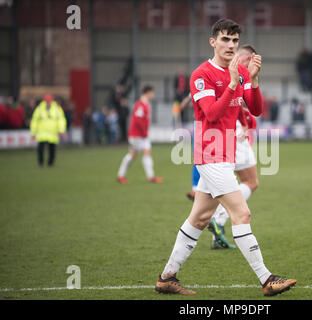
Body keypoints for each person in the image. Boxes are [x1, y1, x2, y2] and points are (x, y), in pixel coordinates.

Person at [155, 18, 296, 296]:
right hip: (210, 155)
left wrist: (253, 80)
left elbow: (255, 110)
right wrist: (232, 82)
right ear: (213, 42)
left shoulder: (241, 72)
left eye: (234, 40)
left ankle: (167, 277)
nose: (230, 45)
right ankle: (267, 279)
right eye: (225, 40)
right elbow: (212, 114)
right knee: (241, 212)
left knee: (198, 218)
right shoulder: (201, 75)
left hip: (225, 154)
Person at [208, 44, 260, 250]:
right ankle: (219, 218)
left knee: (215, 192)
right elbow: (236, 102)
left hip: (220, 132)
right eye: (251, 59)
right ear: (247, 56)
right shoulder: (236, 69)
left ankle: (216, 237)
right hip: (231, 130)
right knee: (251, 181)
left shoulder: (223, 68)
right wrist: (244, 125)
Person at [117, 85, 163, 184]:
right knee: (133, 155)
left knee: (145, 153)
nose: (153, 95)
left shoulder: (144, 103)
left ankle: (150, 177)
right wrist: (143, 131)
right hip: (137, 135)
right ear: (148, 93)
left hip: (141, 135)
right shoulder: (141, 104)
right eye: (152, 93)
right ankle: (121, 175)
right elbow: (138, 120)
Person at [30, 94, 67, 167]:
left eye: (49, 101)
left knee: (52, 149)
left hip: (52, 133)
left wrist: (61, 130)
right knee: (40, 149)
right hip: (42, 133)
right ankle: (40, 163)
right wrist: (33, 132)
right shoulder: (39, 109)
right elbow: (34, 121)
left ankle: (51, 163)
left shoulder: (57, 109)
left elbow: (61, 120)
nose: (48, 103)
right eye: (47, 101)